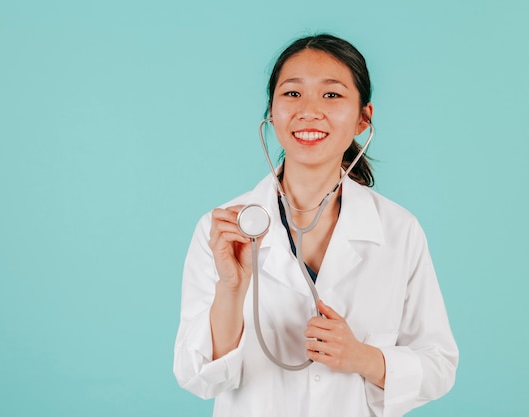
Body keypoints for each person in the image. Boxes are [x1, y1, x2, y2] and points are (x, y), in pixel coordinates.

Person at [174, 34, 458, 417]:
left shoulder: (397, 230)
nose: (309, 111)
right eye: (292, 94)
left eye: (331, 95)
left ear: (363, 118)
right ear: (271, 113)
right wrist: (231, 289)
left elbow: (438, 366)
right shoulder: (224, 229)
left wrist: (363, 358)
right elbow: (198, 377)